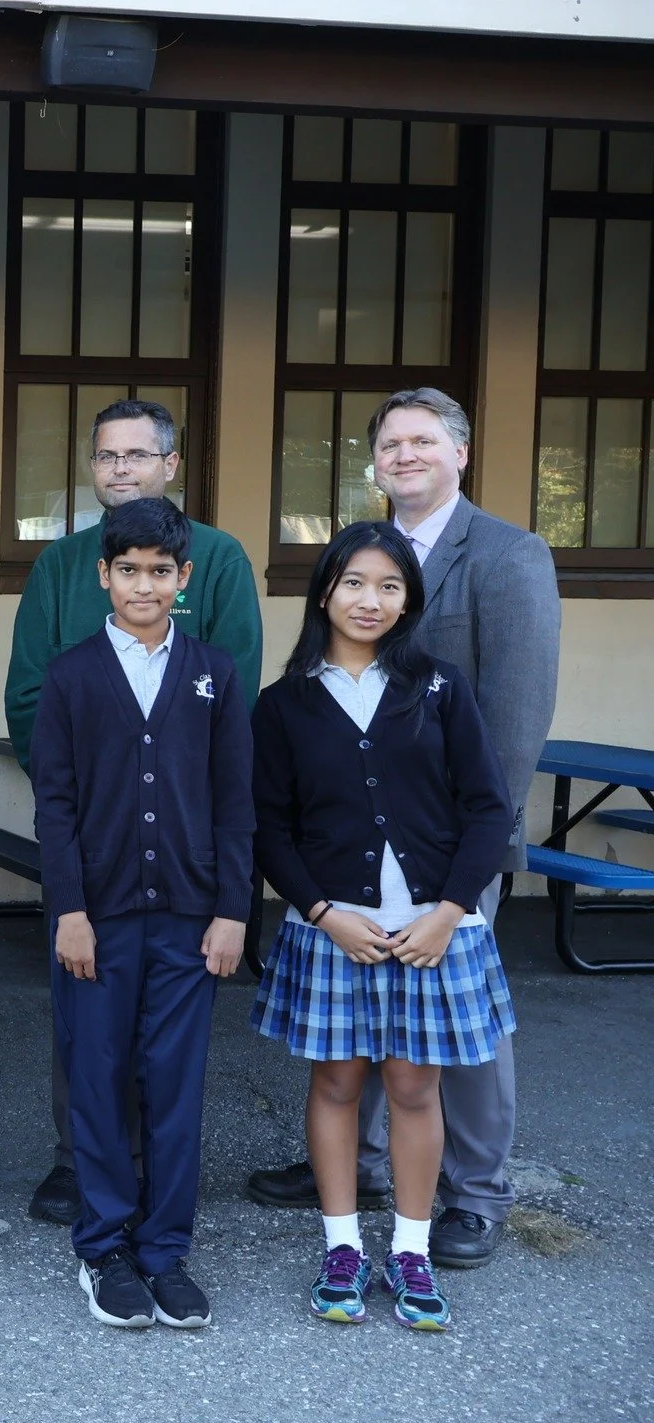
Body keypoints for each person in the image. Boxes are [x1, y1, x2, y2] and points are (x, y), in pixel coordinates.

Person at [246, 388, 560, 1272]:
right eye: (391, 442)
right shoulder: (359, 569)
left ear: (461, 452)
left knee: (456, 1043)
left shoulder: (508, 553)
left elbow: (514, 718)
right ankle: (360, 1172)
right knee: (356, 1050)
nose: (406, 454)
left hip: (448, 851)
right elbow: (274, 817)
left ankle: (474, 1194)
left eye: (424, 439)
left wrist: (466, 878)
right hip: (345, 874)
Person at [2, 398, 263, 1228]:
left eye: (138, 455)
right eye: (107, 456)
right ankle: (78, 1160)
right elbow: (30, 691)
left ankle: (156, 1175)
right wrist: (86, 782)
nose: (120, 468)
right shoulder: (62, 563)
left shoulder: (217, 558)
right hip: (94, 827)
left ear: (171, 465)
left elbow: (236, 693)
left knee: (167, 1026)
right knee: (86, 1012)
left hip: (182, 833)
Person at [250, 523, 515, 1332]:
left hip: (432, 930)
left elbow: (487, 808)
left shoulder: (439, 689)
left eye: (390, 586)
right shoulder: (284, 703)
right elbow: (269, 828)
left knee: (413, 1087)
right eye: (355, 583)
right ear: (325, 592)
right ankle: (341, 1246)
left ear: (409, 601)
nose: (372, 600)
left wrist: (449, 913)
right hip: (336, 930)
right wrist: (324, 914)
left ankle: (410, 1249)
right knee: (336, 1084)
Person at [30, 498, 253, 1329]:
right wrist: (70, 910)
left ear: (183, 577)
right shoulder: (72, 675)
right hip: (100, 920)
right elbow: (55, 805)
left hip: (191, 921)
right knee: (97, 1081)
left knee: (173, 1087)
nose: (144, 585)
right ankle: (104, 1248)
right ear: (104, 574)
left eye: (161, 571)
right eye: (128, 570)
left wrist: (233, 911)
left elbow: (236, 801)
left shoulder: (213, 673)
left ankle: (164, 1249)